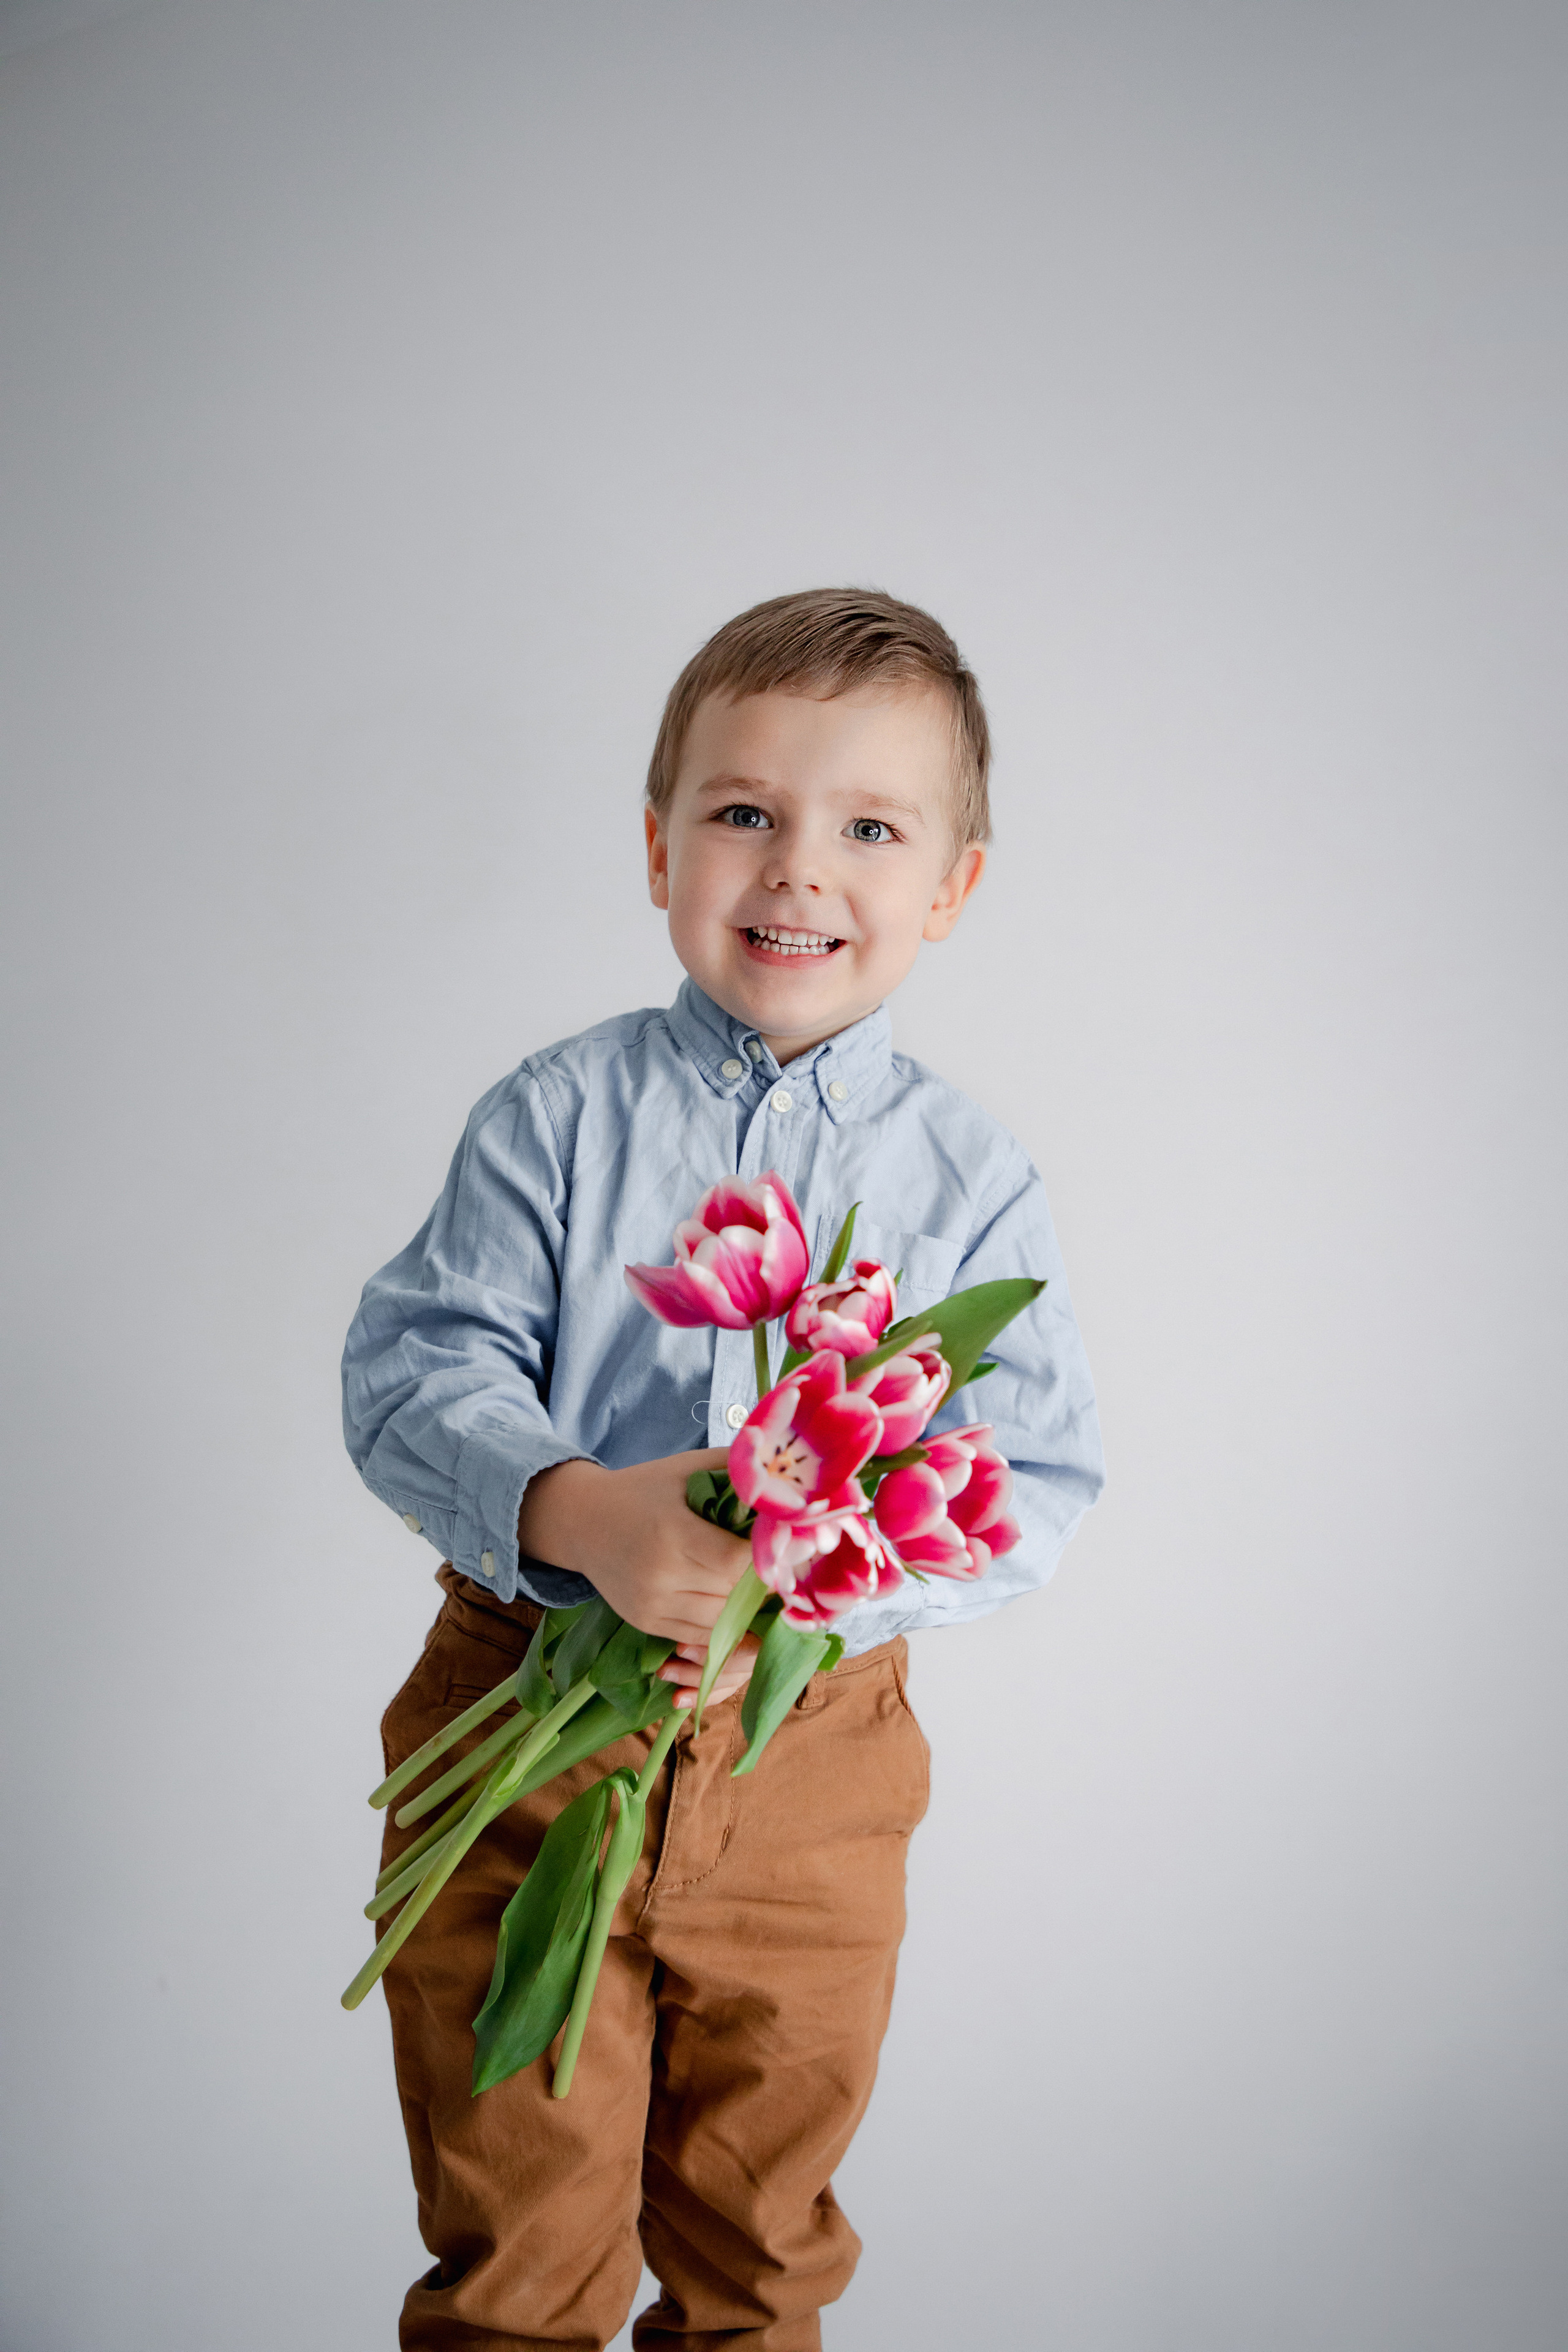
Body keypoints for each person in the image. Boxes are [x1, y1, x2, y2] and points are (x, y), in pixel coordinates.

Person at [342, 587, 1105, 2350]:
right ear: (659, 847)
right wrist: (579, 1513)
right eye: (745, 811)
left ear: (953, 886)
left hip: (810, 1768)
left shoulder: (971, 1180)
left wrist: (819, 1580)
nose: (798, 872)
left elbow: (1036, 1473)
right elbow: (412, 1367)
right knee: (518, 2254)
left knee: (762, 2249)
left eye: (871, 830)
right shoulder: (555, 1118)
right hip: (525, 1722)